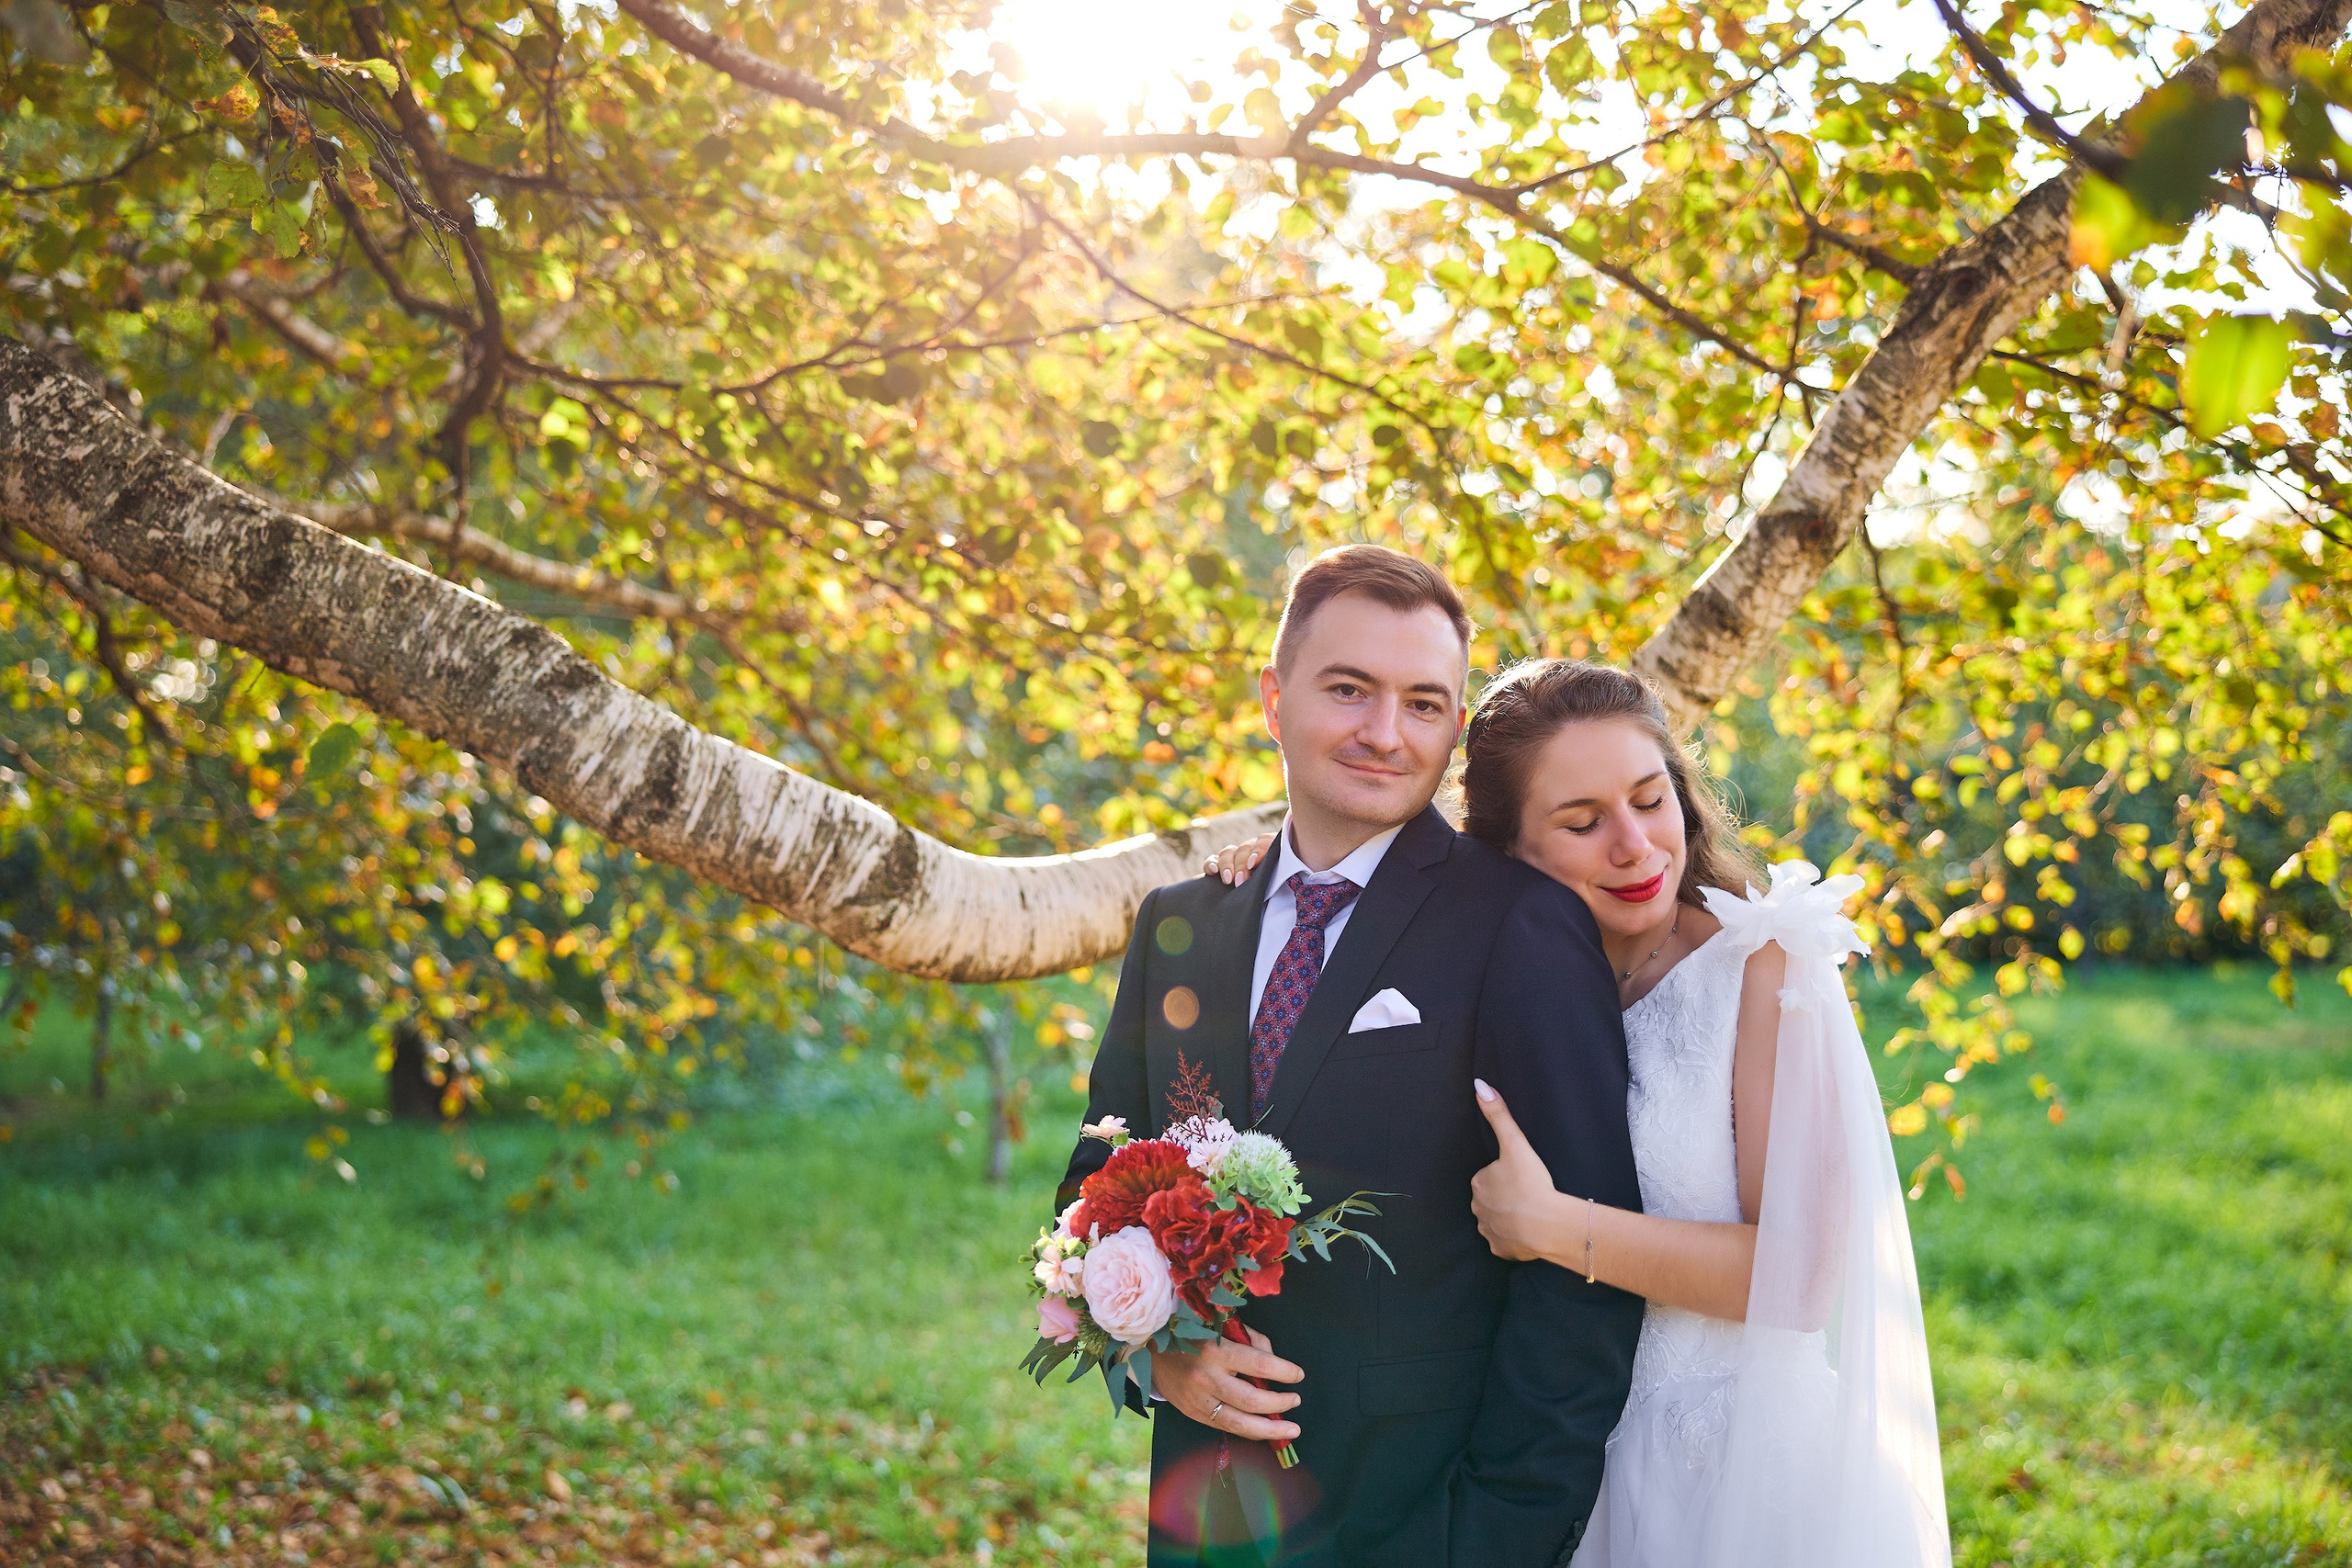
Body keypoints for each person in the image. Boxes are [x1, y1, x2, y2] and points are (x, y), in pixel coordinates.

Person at [1205, 659, 1952, 1568]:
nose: (1635, 845)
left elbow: (1799, 1279)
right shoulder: (1490, 974)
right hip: (1536, 1465)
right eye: (1582, 822)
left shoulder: (1762, 968)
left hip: (1726, 1475)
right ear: (1504, 854)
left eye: (1649, 799)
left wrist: (1557, 1229)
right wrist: (1277, 872)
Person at [1057, 547, 1645, 1568]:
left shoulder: (1518, 926)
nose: (1385, 733)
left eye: (1424, 704)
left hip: (1422, 1515)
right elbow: (1096, 1185)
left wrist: (1493, 1540)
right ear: (1273, 700)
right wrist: (1159, 1352)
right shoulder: (1179, 922)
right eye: (1348, 691)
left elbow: (1582, 1282)